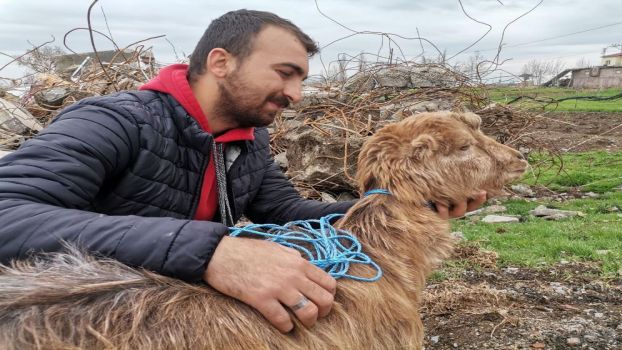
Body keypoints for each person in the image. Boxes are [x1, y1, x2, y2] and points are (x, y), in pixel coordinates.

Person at [0, 9, 486, 333]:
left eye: (301, 79)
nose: (296, 94)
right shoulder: (116, 120)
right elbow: (8, 214)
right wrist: (211, 251)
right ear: (221, 62)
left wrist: (403, 209)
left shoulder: (247, 139)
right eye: (285, 72)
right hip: (71, 324)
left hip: (173, 315)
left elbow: (287, 210)